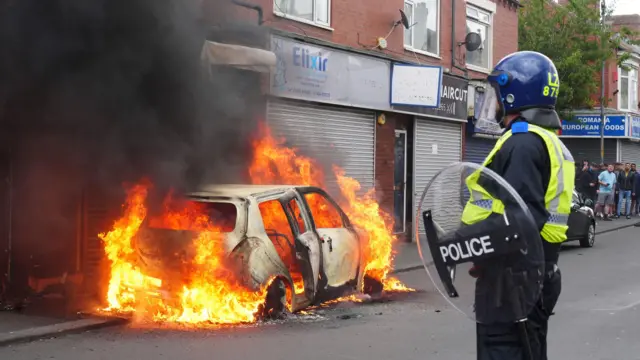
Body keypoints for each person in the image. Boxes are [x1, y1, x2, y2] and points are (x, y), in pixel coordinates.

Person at [463, 51, 574, 360]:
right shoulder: (546, 140)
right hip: (531, 274)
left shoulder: (522, 143)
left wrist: (466, 243)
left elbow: (522, 219)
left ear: (514, 93)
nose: (494, 101)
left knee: (505, 352)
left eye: (497, 93)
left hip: (510, 282)